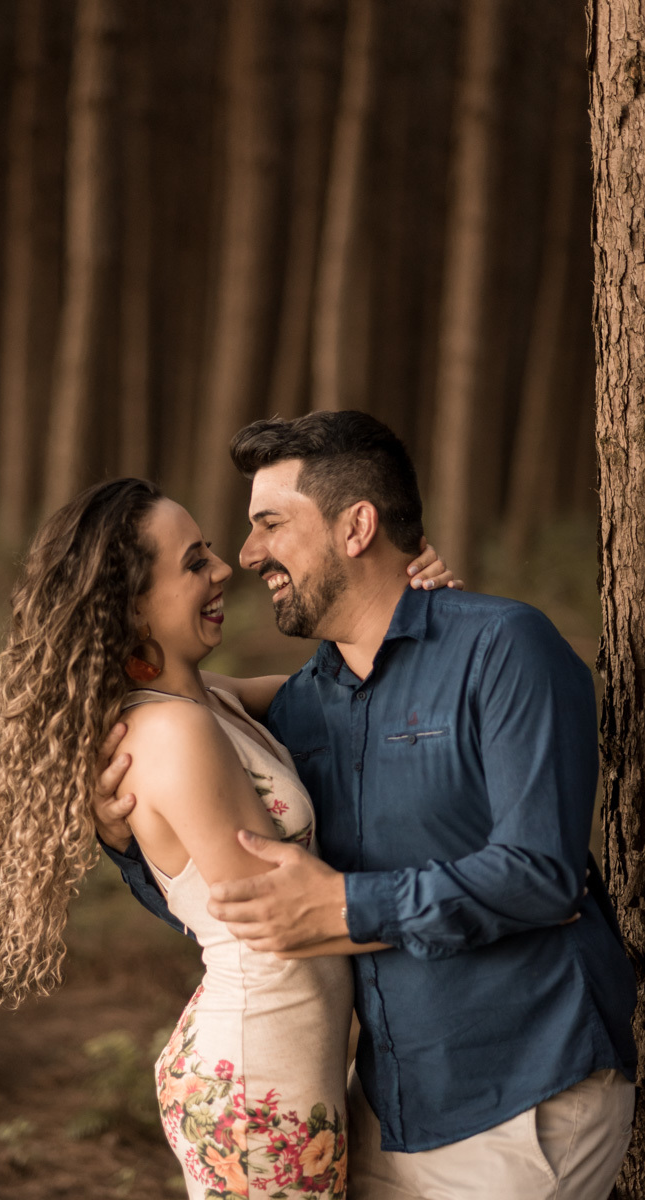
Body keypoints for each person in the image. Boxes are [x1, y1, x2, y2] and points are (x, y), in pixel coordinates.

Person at [96, 411, 637, 1200]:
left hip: (523, 1091)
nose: (246, 557)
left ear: (356, 527)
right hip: (376, 1105)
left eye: (269, 524)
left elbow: (540, 874)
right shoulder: (301, 707)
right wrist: (121, 828)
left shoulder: (501, 648)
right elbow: (237, 896)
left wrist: (344, 904)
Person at [0, 474, 456, 1200]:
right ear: (130, 604)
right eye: (195, 561)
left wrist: (415, 602)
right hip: (259, 1069)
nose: (224, 566)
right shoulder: (172, 733)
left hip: (276, 1055)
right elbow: (282, 922)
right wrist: (489, 903)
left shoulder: (206, 699)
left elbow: (348, 689)